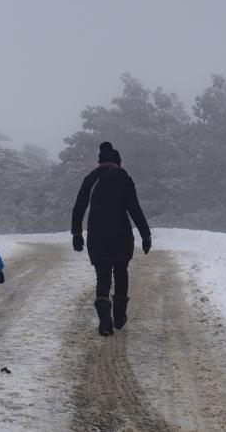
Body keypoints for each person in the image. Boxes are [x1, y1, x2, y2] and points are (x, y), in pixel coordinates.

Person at [71, 141, 152, 336]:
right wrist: (145, 234)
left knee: (103, 276)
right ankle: (119, 315)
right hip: (121, 235)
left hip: (97, 235)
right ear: (117, 162)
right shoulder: (123, 177)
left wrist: (76, 233)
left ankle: (105, 319)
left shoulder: (90, 178)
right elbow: (134, 207)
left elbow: (79, 206)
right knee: (121, 272)